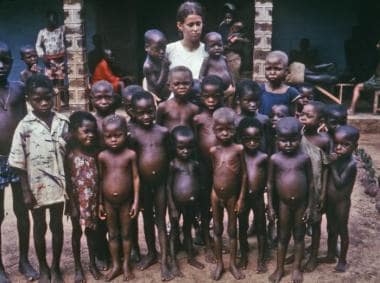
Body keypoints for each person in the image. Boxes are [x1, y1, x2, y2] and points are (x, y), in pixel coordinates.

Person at [9, 74, 69, 283]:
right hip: (36, 188)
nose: (43, 103)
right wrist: (25, 191)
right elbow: (18, 162)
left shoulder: (63, 122)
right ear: (29, 99)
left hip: (59, 186)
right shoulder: (24, 126)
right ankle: (43, 266)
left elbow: (70, 153)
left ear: (54, 97)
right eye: (37, 99)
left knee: (57, 225)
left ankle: (56, 267)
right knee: (39, 226)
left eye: (47, 98)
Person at [0, 42, 38, 283]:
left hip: (18, 158)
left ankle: (24, 260)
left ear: (13, 62)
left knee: (23, 210)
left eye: (5, 60)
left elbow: (27, 123)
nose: (1, 66)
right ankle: (0, 267)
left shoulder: (18, 89)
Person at [127, 91, 173, 281]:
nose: (146, 116)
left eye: (150, 112)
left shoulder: (163, 132)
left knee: (161, 221)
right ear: (132, 112)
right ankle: (151, 253)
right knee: (146, 220)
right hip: (143, 185)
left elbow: (169, 158)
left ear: (155, 110)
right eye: (141, 113)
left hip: (161, 183)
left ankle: (164, 261)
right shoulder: (131, 133)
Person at [267, 117, 313, 283]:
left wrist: (309, 207)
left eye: (293, 141)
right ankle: (279, 269)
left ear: (300, 139)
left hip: (301, 204)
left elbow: (311, 183)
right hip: (283, 205)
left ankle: (296, 269)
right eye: (283, 141)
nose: (288, 145)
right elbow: (270, 184)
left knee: (299, 236)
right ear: (277, 139)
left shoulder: (304, 159)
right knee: (283, 236)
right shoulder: (275, 159)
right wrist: (271, 207)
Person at [98, 115, 140, 281]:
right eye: (109, 136)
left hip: (126, 202)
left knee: (127, 234)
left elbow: (136, 178)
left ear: (126, 134)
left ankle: (126, 264)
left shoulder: (130, 155)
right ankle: (116, 265)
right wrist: (100, 202)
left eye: (118, 135)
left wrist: (136, 201)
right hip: (108, 202)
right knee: (113, 234)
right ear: (103, 136)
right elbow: (100, 180)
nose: (113, 140)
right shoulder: (102, 156)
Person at [210, 107, 247, 280]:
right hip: (215, 195)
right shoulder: (213, 151)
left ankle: (232, 263)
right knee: (217, 229)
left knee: (232, 230)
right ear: (214, 129)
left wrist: (241, 198)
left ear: (235, 129)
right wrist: (213, 194)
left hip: (233, 196)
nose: (225, 133)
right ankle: (219, 264)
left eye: (229, 129)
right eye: (220, 130)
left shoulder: (239, 149)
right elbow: (214, 173)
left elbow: (244, 175)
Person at [65, 111, 102, 282]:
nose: (91, 135)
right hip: (76, 203)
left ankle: (92, 264)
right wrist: (72, 205)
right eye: (86, 131)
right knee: (76, 233)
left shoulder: (95, 154)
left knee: (92, 234)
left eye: (93, 131)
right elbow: (67, 183)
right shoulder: (69, 155)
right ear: (73, 131)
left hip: (92, 203)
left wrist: (100, 202)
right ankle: (78, 267)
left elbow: (100, 180)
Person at [192, 75, 224, 261]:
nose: (211, 100)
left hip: (222, 167)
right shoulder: (197, 118)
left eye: (215, 96)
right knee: (205, 204)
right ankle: (206, 240)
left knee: (220, 202)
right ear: (201, 95)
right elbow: (194, 143)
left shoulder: (226, 115)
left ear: (221, 96)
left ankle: (219, 236)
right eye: (206, 96)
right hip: (203, 166)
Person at [167, 126, 204, 277]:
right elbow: (168, 187)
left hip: (191, 205)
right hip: (177, 204)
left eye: (189, 148)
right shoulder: (173, 165)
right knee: (174, 232)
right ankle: (173, 262)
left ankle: (190, 257)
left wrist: (198, 205)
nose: (185, 151)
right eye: (181, 148)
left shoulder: (194, 164)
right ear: (174, 147)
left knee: (188, 230)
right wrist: (172, 207)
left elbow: (197, 184)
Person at [320, 125, 359, 272]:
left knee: (342, 230)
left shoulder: (351, 164)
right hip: (331, 201)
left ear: (355, 146)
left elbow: (340, 182)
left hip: (342, 203)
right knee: (331, 228)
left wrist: (332, 165)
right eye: (336, 144)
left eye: (345, 145)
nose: (339, 148)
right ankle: (330, 254)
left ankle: (342, 260)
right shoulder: (337, 158)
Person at [298, 101, 331, 272]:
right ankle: (300, 251)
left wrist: (323, 192)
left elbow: (326, 169)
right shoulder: (297, 135)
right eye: (302, 113)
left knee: (315, 223)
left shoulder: (323, 140)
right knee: (299, 222)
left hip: (316, 188)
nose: (303, 117)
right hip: (299, 186)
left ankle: (313, 257)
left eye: (309, 116)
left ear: (321, 121)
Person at [89, 80, 115, 269]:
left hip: (115, 175)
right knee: (97, 218)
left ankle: (123, 250)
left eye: (108, 97)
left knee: (116, 214)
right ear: (92, 99)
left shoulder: (118, 121)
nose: (104, 101)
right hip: (93, 176)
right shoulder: (88, 122)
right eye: (99, 97)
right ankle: (100, 252)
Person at [236, 117, 268, 273]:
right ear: (241, 138)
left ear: (261, 138)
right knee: (242, 227)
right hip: (242, 198)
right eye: (248, 139)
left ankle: (262, 258)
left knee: (261, 227)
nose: (252, 142)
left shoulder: (263, 157)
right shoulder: (239, 155)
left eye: (256, 139)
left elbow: (269, 179)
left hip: (258, 198)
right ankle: (243, 255)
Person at [166, 1, 208, 80]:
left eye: (198, 24)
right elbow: (149, 78)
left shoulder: (208, 51)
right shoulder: (169, 50)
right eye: (190, 25)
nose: (195, 29)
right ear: (180, 25)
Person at [35, 10, 67, 106]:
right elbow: (38, 45)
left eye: (55, 19)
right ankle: (52, 101)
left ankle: (61, 101)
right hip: (49, 61)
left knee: (60, 81)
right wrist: (42, 56)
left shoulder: (61, 29)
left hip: (60, 60)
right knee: (50, 81)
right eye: (51, 19)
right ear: (47, 19)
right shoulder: (42, 32)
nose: (53, 21)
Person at [157, 66, 199, 131]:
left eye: (186, 83)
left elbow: (195, 131)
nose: (182, 87)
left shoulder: (194, 109)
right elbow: (158, 129)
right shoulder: (163, 106)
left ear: (192, 85)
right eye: (177, 84)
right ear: (169, 86)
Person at [199, 32, 234, 106]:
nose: (217, 48)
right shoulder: (207, 60)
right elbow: (201, 76)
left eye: (219, 45)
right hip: (213, 91)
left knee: (229, 103)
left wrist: (233, 84)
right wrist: (205, 86)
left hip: (228, 88)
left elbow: (230, 72)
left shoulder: (224, 58)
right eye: (213, 46)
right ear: (206, 48)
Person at [259, 51, 299, 116]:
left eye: (277, 69)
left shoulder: (292, 93)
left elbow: (294, 115)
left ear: (286, 71)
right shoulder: (259, 89)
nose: (272, 72)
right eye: (268, 69)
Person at [235, 79, 269, 153]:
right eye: (248, 100)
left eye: (256, 100)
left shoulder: (264, 120)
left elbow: (268, 143)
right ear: (238, 99)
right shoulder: (235, 121)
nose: (253, 104)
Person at [348, 40, 380, 114]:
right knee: (364, 86)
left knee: (357, 87)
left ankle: (352, 109)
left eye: (379, 44)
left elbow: (378, 74)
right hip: (377, 80)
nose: (377, 46)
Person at [143, 29, 170, 102]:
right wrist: (165, 69)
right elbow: (157, 88)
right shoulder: (148, 66)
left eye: (164, 48)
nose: (161, 51)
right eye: (157, 48)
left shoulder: (161, 58)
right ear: (147, 47)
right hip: (156, 99)